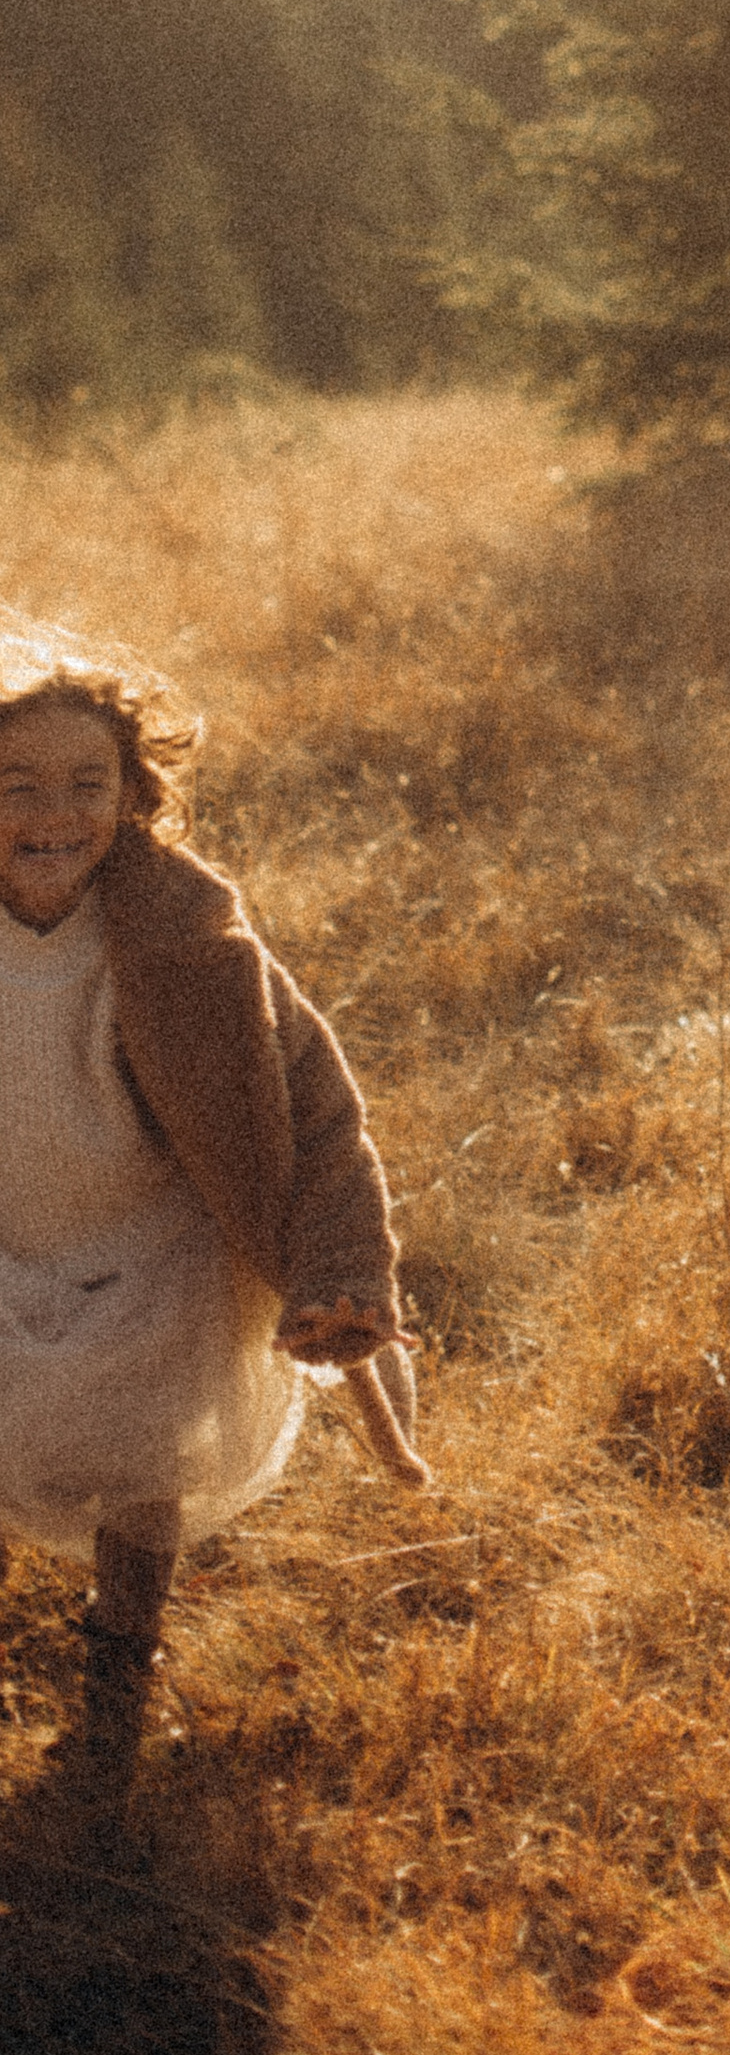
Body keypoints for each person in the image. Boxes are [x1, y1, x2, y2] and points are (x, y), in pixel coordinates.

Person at [0, 615, 420, 1805]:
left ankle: (116, 1686)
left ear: (135, 797)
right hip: (6, 1245)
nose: (53, 811)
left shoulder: (185, 936)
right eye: (16, 783)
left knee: (143, 1472)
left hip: (155, 1251)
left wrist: (342, 1269)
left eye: (89, 784)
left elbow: (314, 1107)